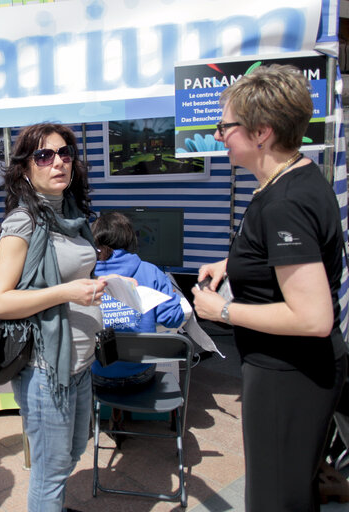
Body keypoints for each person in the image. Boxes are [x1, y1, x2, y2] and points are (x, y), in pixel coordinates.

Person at [192, 65, 347, 511]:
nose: (219, 135)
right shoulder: (290, 178)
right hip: (290, 369)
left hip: (290, 373)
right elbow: (290, 258)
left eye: (225, 126)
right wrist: (233, 264)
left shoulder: (284, 203)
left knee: (275, 500)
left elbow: (313, 318)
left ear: (261, 133)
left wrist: (220, 311)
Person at [0, 122, 119, 512]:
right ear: (26, 168)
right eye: (44, 155)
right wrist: (66, 292)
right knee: (51, 470)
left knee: (75, 449)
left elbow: (75, 273)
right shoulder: (22, 222)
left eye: (65, 153)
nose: (58, 162)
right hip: (47, 369)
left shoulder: (73, 217)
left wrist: (98, 283)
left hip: (79, 359)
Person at [89, 211, 186, 445]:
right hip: (141, 375)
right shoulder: (150, 272)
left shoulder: (84, 276)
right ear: (129, 239)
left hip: (98, 378)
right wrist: (173, 296)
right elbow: (173, 319)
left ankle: (112, 417)